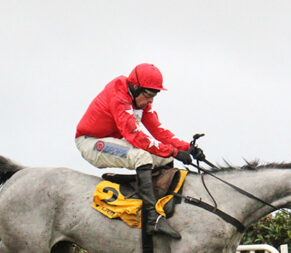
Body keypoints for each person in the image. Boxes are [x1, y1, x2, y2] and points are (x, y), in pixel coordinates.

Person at [75, 63, 204, 239]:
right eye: (148, 95)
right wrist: (173, 152)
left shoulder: (139, 101)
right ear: (135, 88)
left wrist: (186, 148)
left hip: (114, 141)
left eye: (154, 96)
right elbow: (135, 136)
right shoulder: (119, 96)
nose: (151, 101)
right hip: (92, 143)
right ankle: (151, 219)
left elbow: (159, 132)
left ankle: (162, 205)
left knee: (162, 159)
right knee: (141, 156)